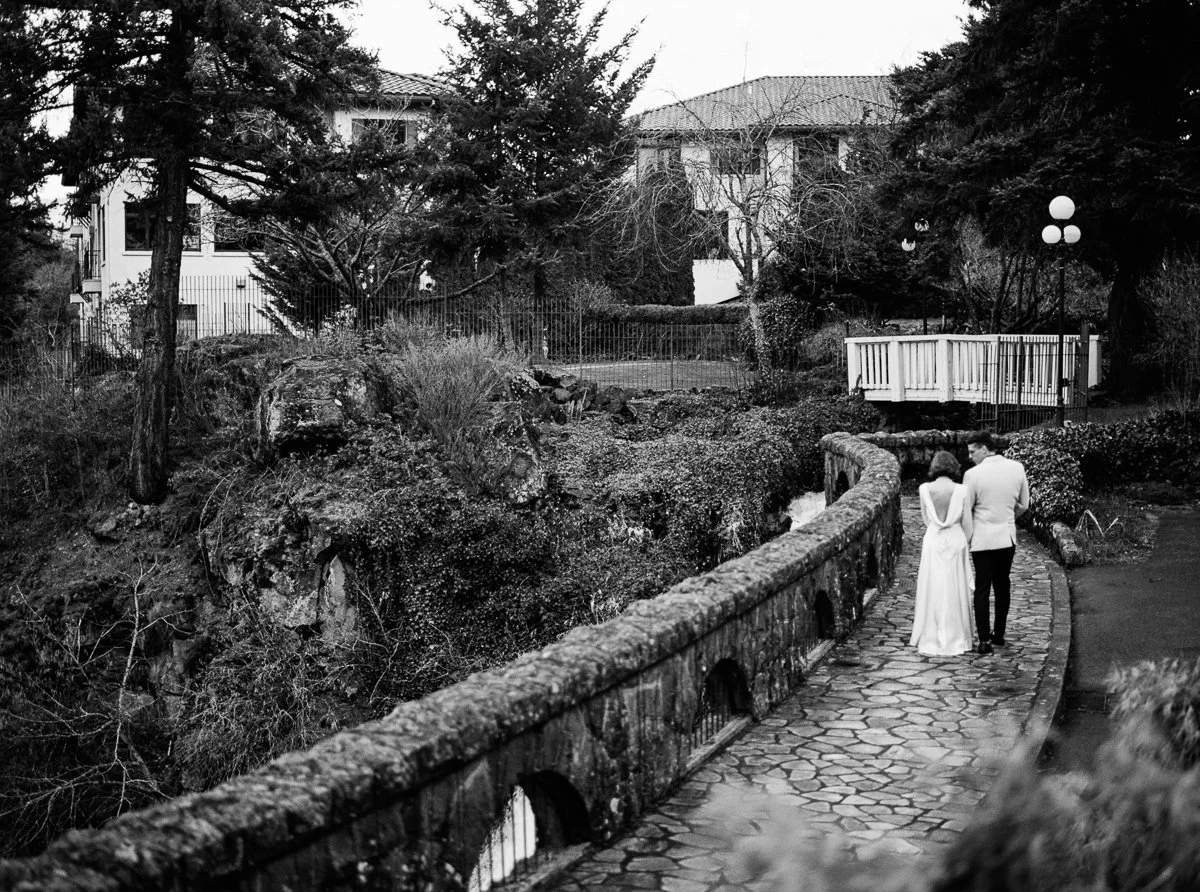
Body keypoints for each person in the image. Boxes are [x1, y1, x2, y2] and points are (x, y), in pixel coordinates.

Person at [962, 430, 1030, 655]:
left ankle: (983, 640)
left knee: (982, 587)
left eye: (973, 452)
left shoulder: (972, 475)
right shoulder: (1016, 468)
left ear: (984, 448)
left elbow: (967, 510)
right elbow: (1024, 504)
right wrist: (1008, 517)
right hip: (1006, 537)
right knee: (1002, 585)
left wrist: (968, 537)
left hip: (982, 540)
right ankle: (999, 633)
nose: (970, 456)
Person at [910, 450, 976, 656]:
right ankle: (957, 637)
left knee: (933, 587)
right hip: (956, 539)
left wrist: (938, 528)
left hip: (933, 540)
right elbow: (967, 523)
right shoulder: (962, 490)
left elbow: (925, 519)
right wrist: (963, 540)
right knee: (955, 587)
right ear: (954, 467)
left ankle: (931, 637)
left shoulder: (924, 489)